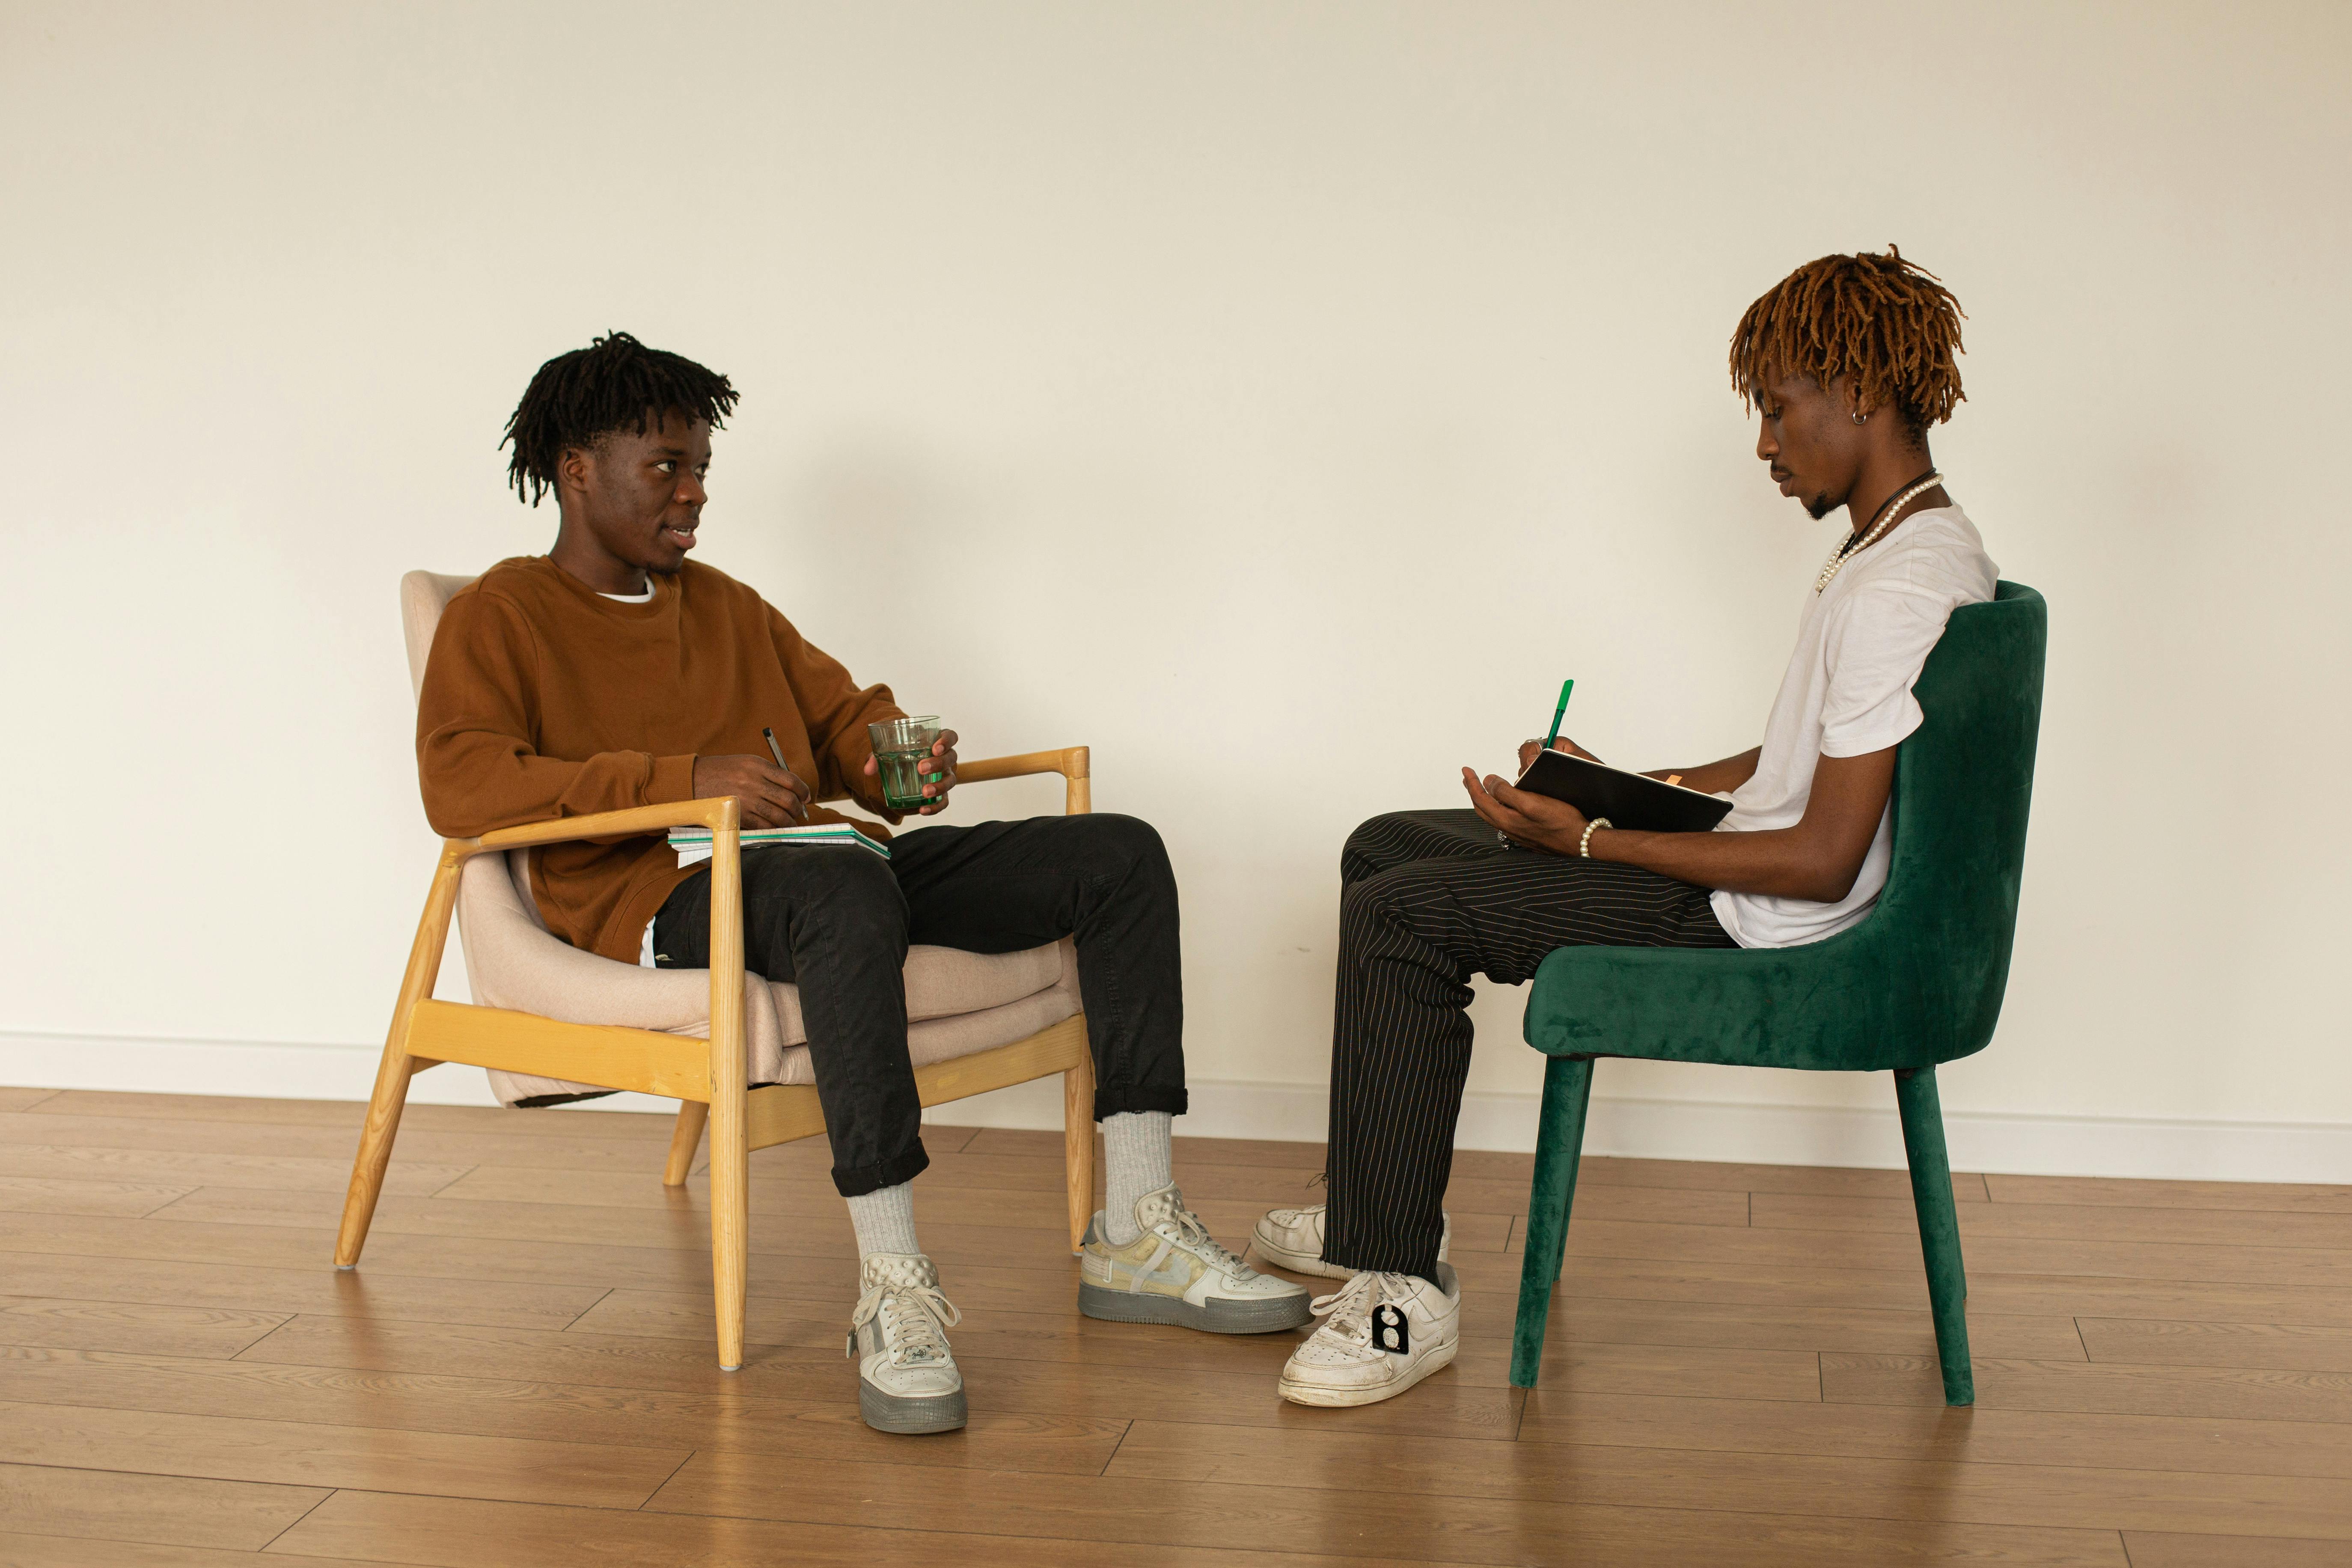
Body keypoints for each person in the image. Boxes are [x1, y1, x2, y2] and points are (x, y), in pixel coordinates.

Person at [416, 331, 1306, 1435]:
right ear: (576, 468)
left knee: (1117, 854)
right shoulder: (502, 614)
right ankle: (892, 1283)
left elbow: (838, 724)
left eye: (703, 469)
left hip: (833, 864)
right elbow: (463, 784)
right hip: (665, 893)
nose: (695, 495)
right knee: (842, 891)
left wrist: (894, 756)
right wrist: (691, 779)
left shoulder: (727, 605)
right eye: (667, 468)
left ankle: (1137, 1230)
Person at [1252, 248, 1997, 1409]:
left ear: (1859, 391)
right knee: (1387, 845)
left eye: (1778, 406)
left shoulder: (1897, 587)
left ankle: (1401, 1292)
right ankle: (1375, 1208)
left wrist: (1590, 844)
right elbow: (1812, 759)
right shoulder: (1906, 549)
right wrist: (1631, 784)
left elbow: (1821, 857)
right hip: (1760, 880)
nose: (1763, 442)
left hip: (1774, 923)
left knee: (1404, 915)